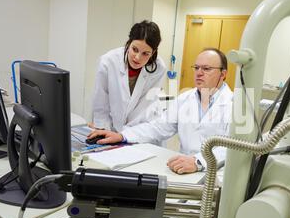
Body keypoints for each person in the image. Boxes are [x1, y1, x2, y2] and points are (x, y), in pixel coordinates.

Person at [88, 48, 233, 175]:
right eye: (196, 68)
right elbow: (158, 127)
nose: (199, 73)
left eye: (206, 69)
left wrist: (198, 162)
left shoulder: (236, 104)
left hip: (216, 175)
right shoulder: (184, 100)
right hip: (181, 169)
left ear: (223, 74)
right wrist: (121, 136)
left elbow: (235, 148)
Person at [91, 20, 167, 132]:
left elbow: (145, 107)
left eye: (145, 53)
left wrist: (128, 135)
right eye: (134, 49)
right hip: (109, 128)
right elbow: (101, 102)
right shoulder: (108, 62)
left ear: (153, 52)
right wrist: (103, 128)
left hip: (139, 130)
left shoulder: (159, 68)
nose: (137, 57)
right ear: (129, 43)